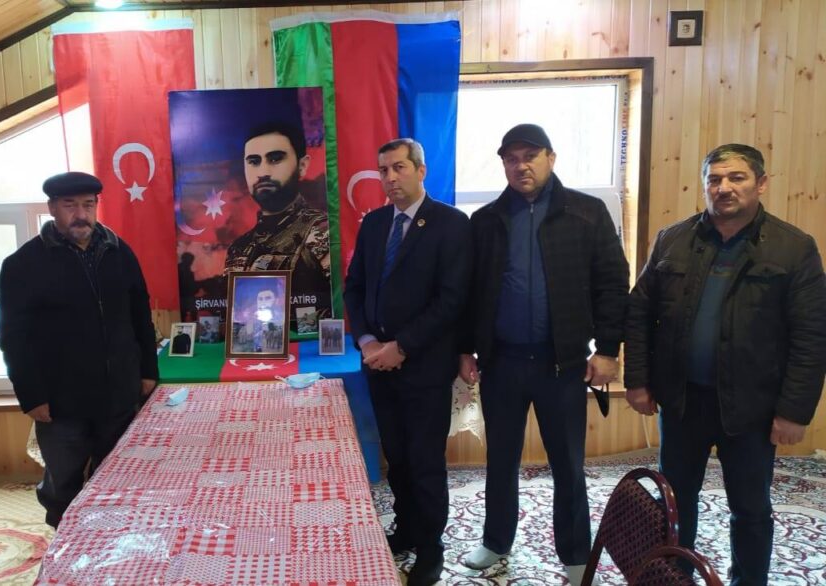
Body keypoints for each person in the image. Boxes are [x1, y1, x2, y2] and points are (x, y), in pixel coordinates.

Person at [624, 144, 826, 586]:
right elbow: (638, 313)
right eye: (714, 179)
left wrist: (794, 411)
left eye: (737, 177)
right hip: (682, 402)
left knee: (750, 508)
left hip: (752, 408)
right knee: (675, 503)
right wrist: (636, 379)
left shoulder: (794, 249)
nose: (724, 188)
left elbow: (812, 335)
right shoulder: (672, 239)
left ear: (761, 183)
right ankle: (674, 577)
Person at [459, 124, 629, 585]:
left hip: (563, 365)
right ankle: (496, 540)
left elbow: (613, 285)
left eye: (530, 156)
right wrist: (465, 348)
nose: (521, 166)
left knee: (568, 465)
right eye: (511, 158)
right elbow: (471, 291)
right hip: (502, 363)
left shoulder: (587, 213)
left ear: (551, 158)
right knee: (501, 460)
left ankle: (575, 553)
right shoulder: (486, 220)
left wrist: (608, 350)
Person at [0, 171, 159, 529]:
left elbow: (141, 317)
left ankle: (109, 544)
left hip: (118, 393)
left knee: (117, 479)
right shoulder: (23, 264)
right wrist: (31, 395)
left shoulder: (120, 253)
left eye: (88, 205)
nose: (80, 214)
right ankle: (63, 546)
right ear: (52, 208)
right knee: (63, 486)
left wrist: (148, 371)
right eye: (70, 206)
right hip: (60, 402)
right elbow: (13, 337)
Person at [344, 138, 471, 586]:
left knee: (424, 462)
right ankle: (408, 528)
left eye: (399, 167)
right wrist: (365, 341)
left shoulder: (451, 224)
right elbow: (355, 288)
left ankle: (431, 546)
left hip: (424, 366)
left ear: (420, 170)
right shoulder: (375, 223)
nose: (390, 177)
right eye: (383, 170)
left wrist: (401, 347)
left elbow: (452, 300)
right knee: (396, 456)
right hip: (378, 364)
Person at [225, 122, 332, 319]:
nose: (263, 171)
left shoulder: (321, 230)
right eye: (254, 161)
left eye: (275, 159)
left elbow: (342, 305)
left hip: (306, 337)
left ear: (302, 166)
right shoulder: (238, 247)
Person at [232, 287, 285, 353]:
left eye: (268, 298)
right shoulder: (250, 321)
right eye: (260, 299)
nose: (263, 302)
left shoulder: (281, 320)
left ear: (276, 300)